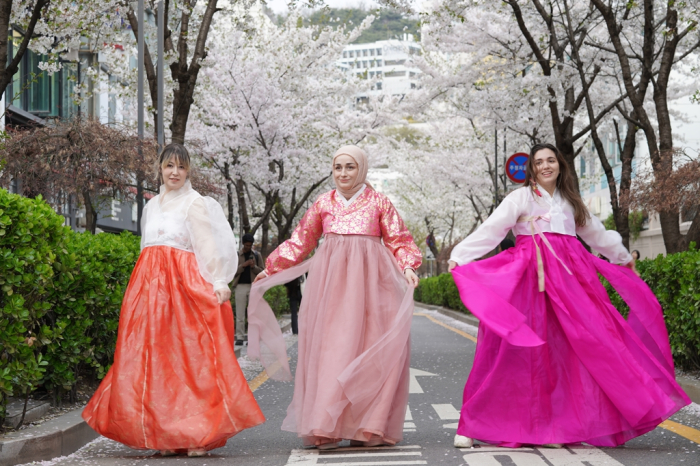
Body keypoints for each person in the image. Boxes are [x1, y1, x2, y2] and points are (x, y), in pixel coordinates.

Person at [448, 143, 690, 449]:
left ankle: (556, 428)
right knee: (511, 354)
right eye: (539, 162)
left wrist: (621, 255)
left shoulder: (571, 201)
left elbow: (596, 234)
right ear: (531, 169)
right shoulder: (520, 198)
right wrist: (461, 255)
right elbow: (492, 229)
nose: (546, 166)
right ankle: (473, 423)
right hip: (530, 281)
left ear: (560, 165)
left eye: (551, 160)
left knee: (578, 350)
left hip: (571, 281)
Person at [82, 144, 265, 457]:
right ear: (160, 169)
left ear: (188, 171)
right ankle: (164, 434)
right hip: (148, 289)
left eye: (181, 167)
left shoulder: (195, 203)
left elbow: (206, 245)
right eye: (169, 166)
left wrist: (218, 280)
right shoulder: (152, 206)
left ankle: (196, 433)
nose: (175, 172)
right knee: (154, 359)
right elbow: (147, 248)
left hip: (182, 285)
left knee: (188, 357)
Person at [246, 145, 421, 450]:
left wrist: (407, 265)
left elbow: (399, 239)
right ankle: (325, 426)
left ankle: (368, 426)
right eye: (338, 167)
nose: (343, 173)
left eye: (350, 167)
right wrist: (271, 267)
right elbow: (300, 240)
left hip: (373, 287)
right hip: (331, 288)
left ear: (362, 169)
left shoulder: (379, 202)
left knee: (370, 350)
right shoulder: (323, 203)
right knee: (332, 351)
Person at [233, 233, 264, 345]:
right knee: (240, 314)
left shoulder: (256, 255)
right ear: (243, 244)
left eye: (250, 245)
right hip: (240, 286)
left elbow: (262, 271)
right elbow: (233, 272)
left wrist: (253, 267)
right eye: (246, 245)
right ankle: (240, 337)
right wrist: (244, 265)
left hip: (253, 286)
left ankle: (252, 337)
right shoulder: (237, 255)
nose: (248, 247)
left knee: (253, 314)